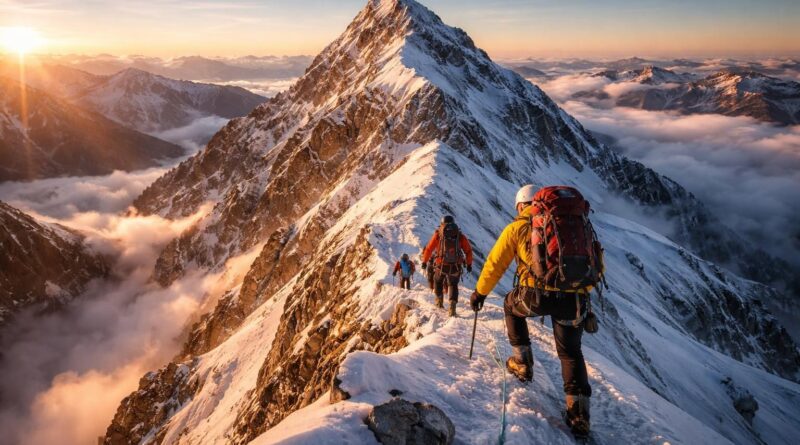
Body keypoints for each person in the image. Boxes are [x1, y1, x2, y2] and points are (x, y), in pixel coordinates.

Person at [469, 185, 603, 438]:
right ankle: (579, 414)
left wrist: (480, 294)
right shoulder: (574, 223)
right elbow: (596, 263)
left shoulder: (517, 227)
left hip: (535, 296)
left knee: (510, 305)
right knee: (571, 352)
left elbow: (495, 265)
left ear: (522, 205)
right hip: (574, 297)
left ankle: (522, 363)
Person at [422, 215, 473, 317]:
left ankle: (439, 301)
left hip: (441, 265)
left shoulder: (438, 234)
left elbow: (428, 249)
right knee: (453, 285)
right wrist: (469, 264)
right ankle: (452, 308)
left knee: (437, 280)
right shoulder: (459, 235)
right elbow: (468, 251)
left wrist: (424, 261)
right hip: (455, 266)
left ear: (442, 224)